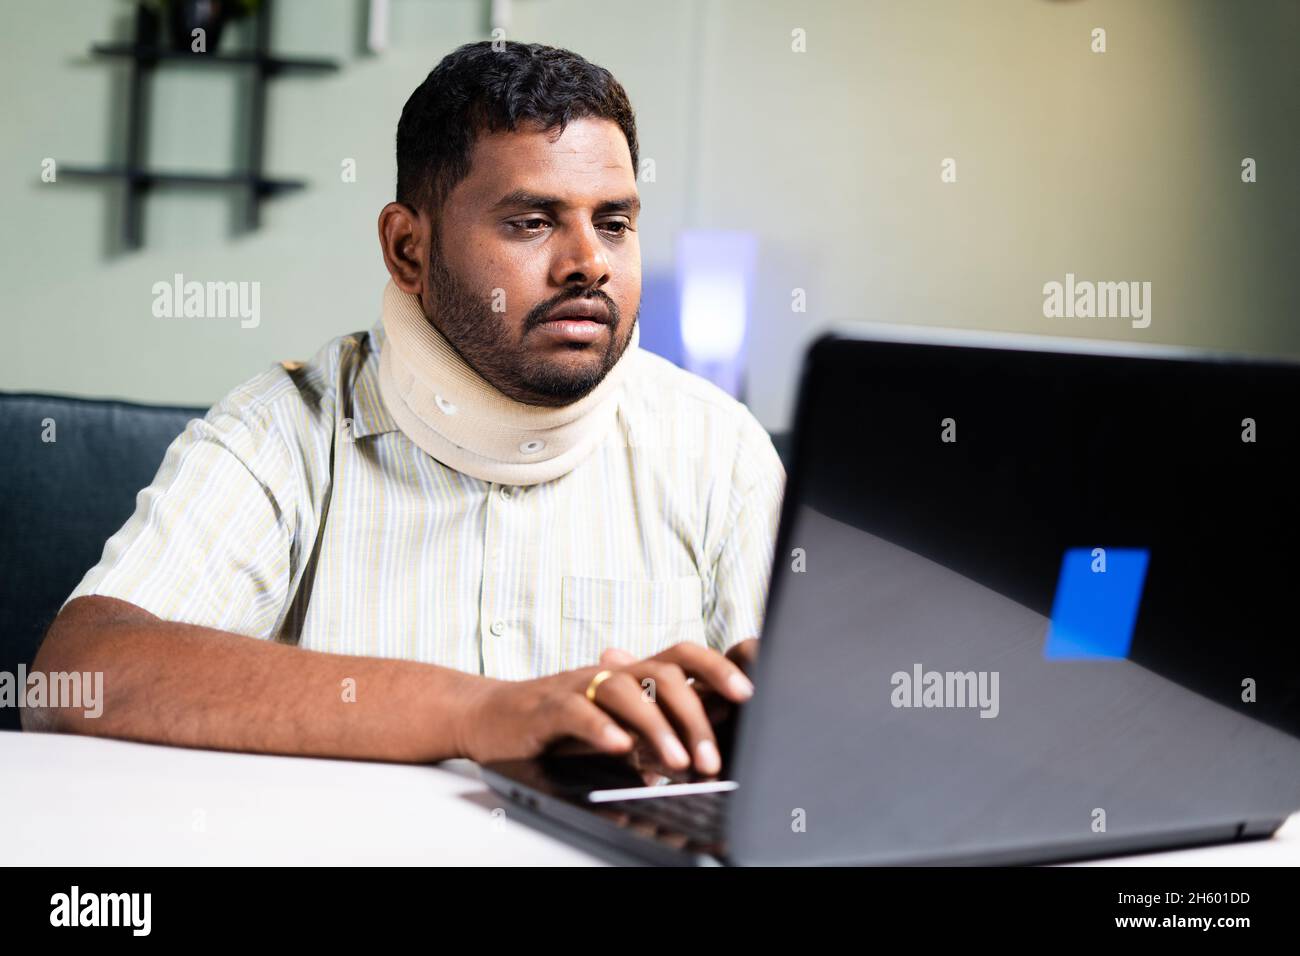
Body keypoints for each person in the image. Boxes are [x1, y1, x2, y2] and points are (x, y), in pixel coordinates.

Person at [27, 41, 786, 777]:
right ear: (408, 250)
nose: (588, 261)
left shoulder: (720, 452)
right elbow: (80, 673)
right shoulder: (284, 431)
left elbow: (817, 737)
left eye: (614, 222)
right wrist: (480, 712)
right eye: (532, 221)